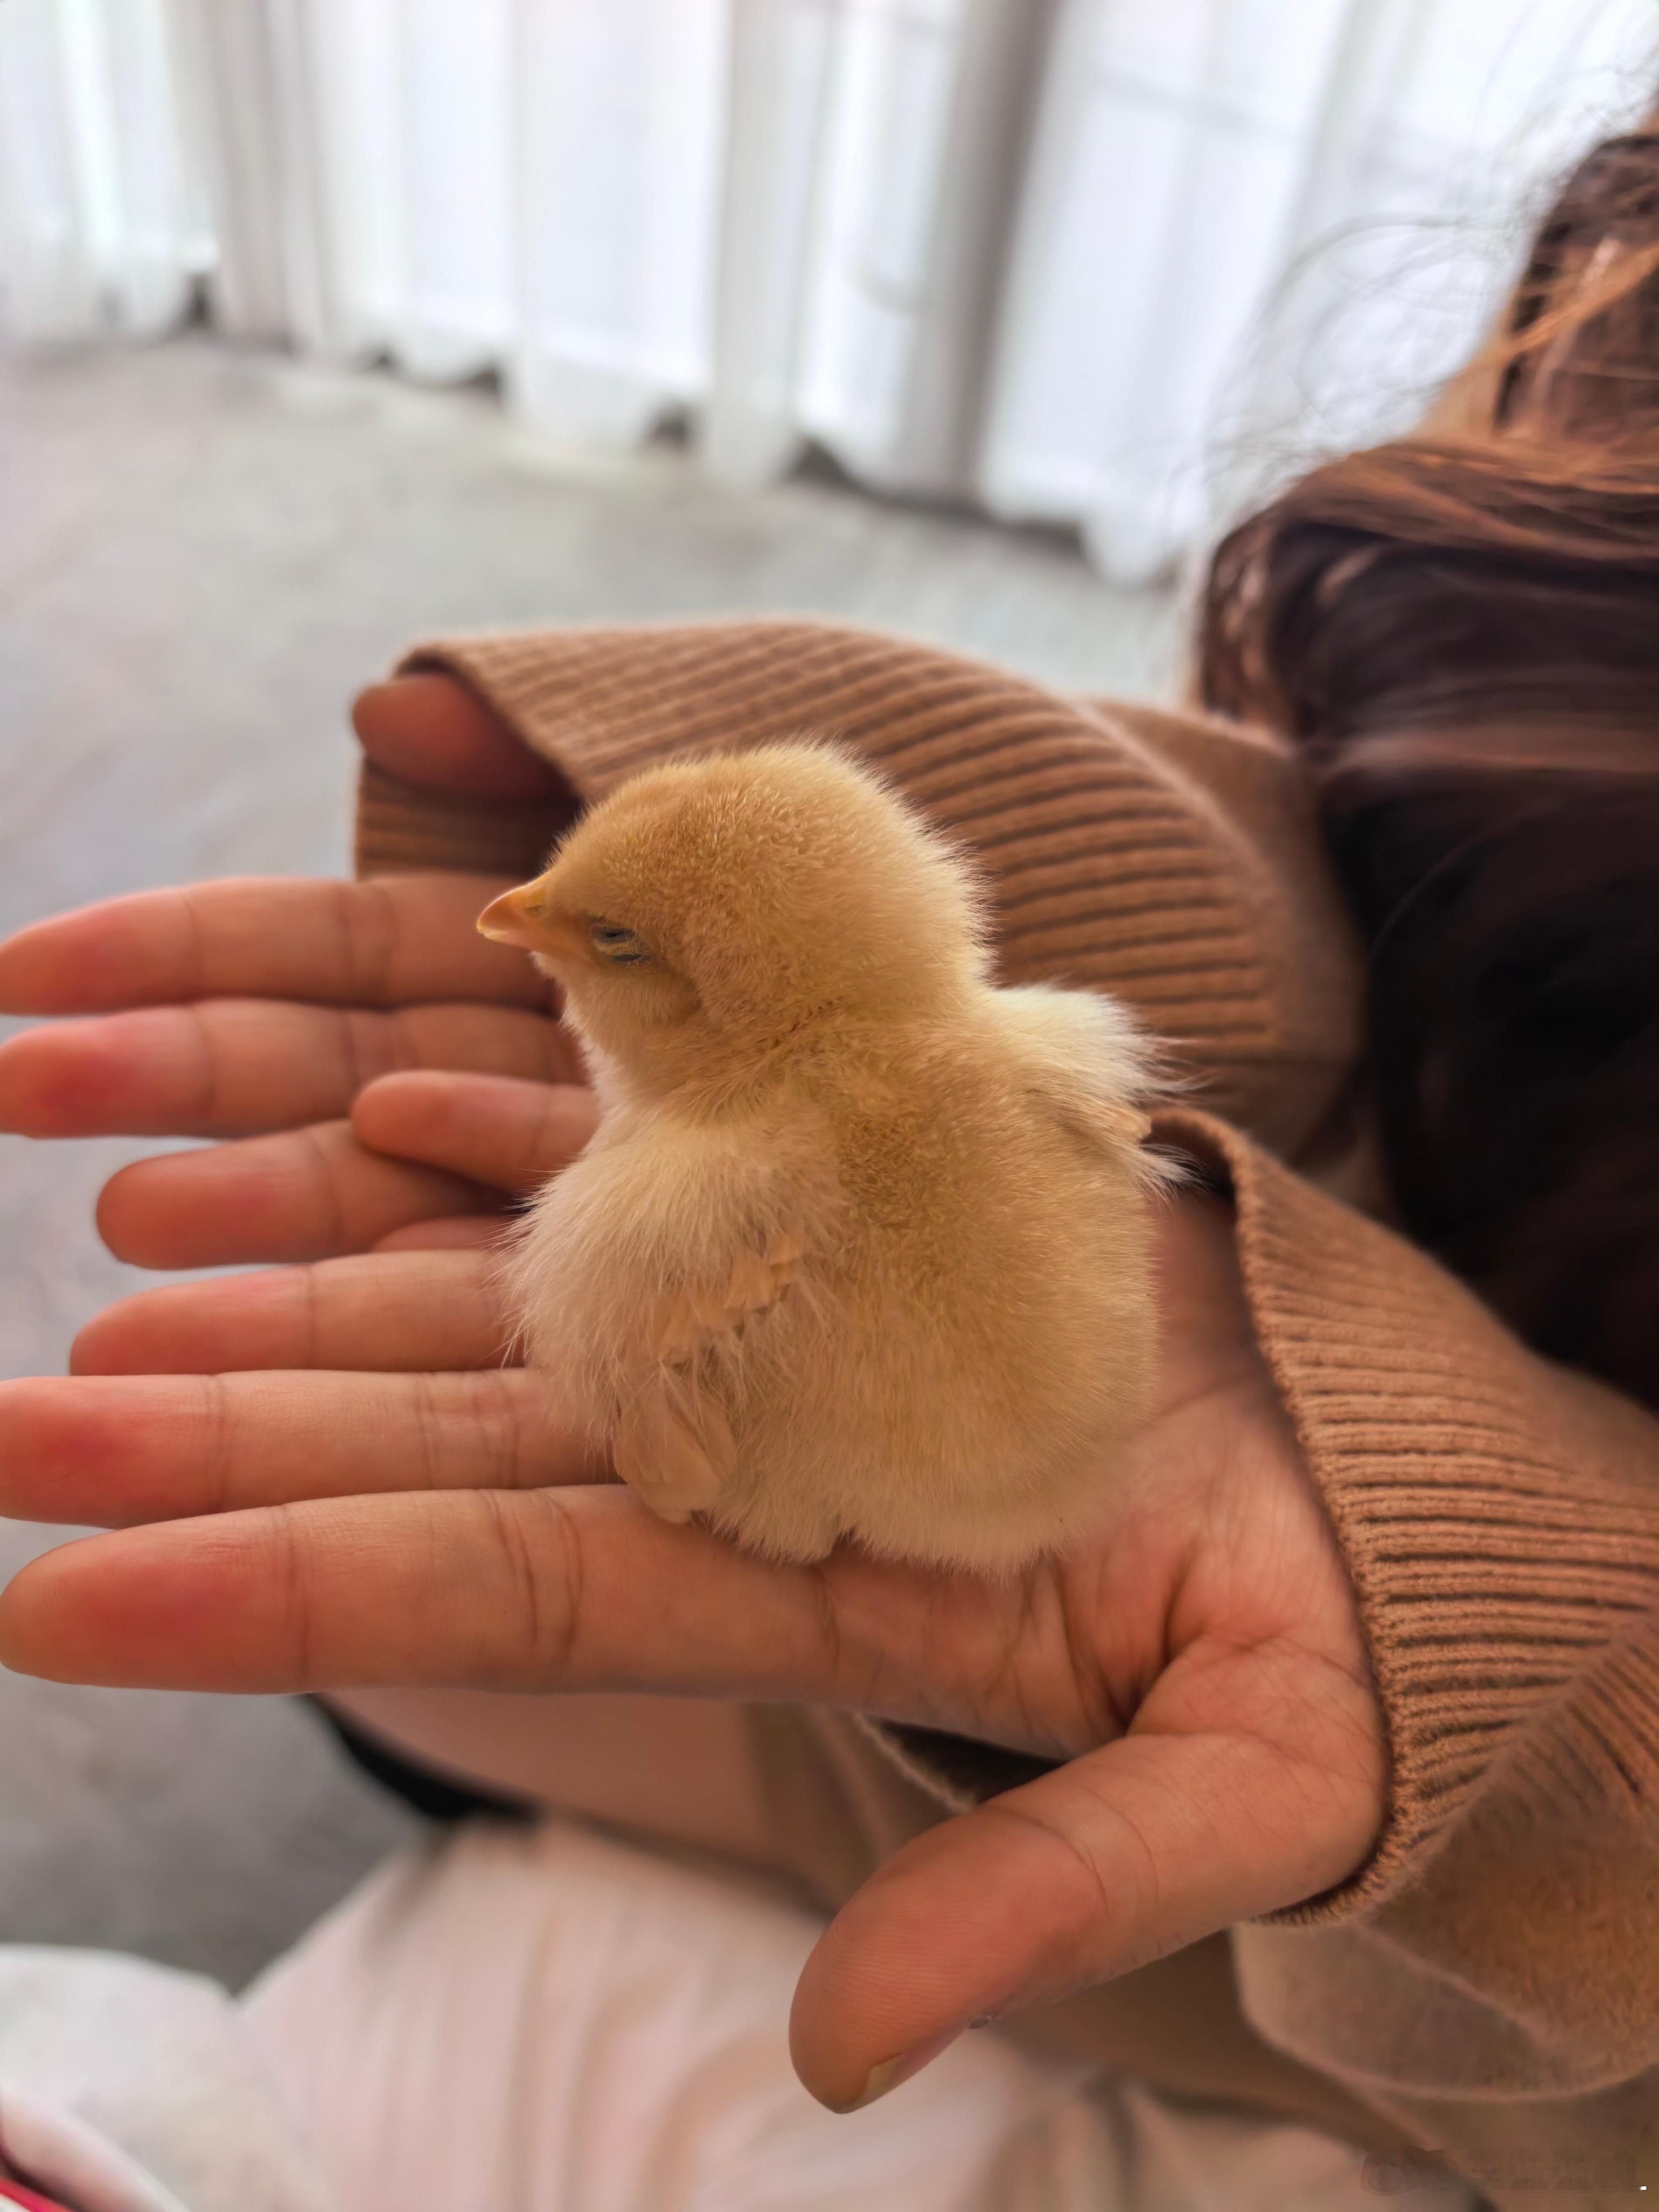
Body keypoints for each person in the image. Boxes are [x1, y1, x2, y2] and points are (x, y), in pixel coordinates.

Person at [0, 113, 1655, 2212]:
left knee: (400, 1646)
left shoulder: (709, 1224)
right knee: (391, 1609)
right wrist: (1182, 881)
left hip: (1191, 1856)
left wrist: (1559, 1706)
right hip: (989, 1569)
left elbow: (722, 1447)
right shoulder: (1118, 1042)